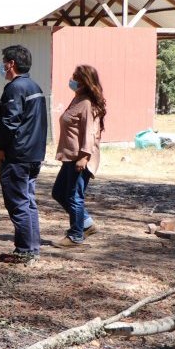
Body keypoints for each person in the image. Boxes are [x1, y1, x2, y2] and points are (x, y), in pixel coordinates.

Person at [0, 44, 48, 264]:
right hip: (33, 155)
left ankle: (24, 251)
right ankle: (31, 249)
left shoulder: (16, 88)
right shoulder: (34, 86)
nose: (2, 66)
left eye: (4, 61)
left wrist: (1, 147)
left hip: (17, 157)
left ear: (11, 64)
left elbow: (9, 122)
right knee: (28, 202)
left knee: (18, 203)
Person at [51, 65, 105, 248]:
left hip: (80, 158)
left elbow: (90, 132)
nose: (71, 80)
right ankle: (87, 224)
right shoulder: (77, 100)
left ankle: (76, 235)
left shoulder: (87, 104)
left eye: (75, 78)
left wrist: (84, 157)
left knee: (74, 197)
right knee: (59, 193)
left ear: (84, 81)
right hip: (69, 156)